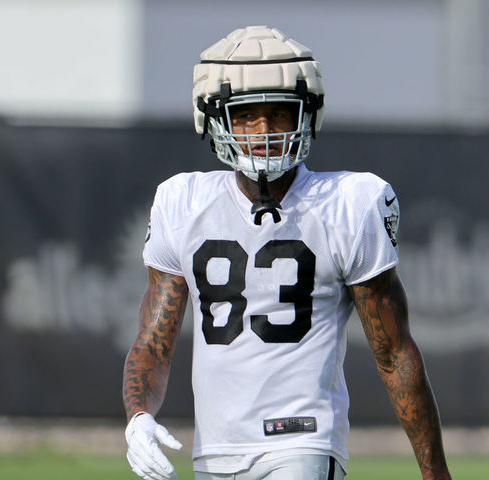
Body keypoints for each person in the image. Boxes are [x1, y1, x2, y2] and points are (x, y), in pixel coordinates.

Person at [122, 26, 451, 480]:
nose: (264, 131)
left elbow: (394, 353)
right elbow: (153, 342)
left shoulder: (347, 205)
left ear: (307, 115)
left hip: (303, 442)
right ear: (213, 120)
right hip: (215, 450)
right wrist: (138, 417)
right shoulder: (183, 203)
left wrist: (437, 475)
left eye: (279, 114)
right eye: (245, 115)